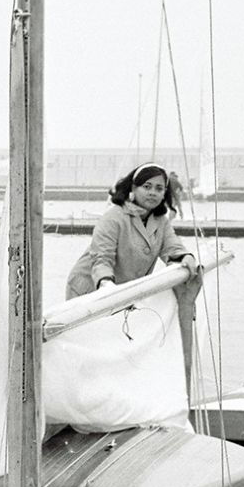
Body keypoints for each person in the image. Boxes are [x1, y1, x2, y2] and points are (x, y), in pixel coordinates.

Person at [65, 162, 203, 386]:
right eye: (147, 186)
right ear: (133, 188)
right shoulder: (114, 217)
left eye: (159, 188)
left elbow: (172, 248)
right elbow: (102, 257)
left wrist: (185, 258)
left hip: (125, 292)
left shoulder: (161, 221)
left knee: (118, 351)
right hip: (90, 287)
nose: (153, 193)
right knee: (89, 352)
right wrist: (105, 283)